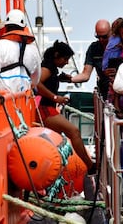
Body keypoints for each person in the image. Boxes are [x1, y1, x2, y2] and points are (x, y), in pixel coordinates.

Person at [36, 40, 95, 173]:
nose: (67, 62)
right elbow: (37, 83)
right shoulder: (48, 67)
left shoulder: (52, 68)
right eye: (65, 59)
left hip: (48, 108)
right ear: (57, 56)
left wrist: (61, 78)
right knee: (74, 132)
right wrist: (55, 97)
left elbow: (47, 80)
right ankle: (90, 166)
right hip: (45, 109)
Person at [0, 9, 41, 93]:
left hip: (3, 99)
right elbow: (36, 79)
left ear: (6, 26)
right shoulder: (33, 49)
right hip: (23, 99)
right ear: (24, 27)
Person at [66, 19, 111, 99]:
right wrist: (70, 79)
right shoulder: (94, 48)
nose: (101, 40)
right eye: (98, 37)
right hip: (104, 90)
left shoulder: (119, 46)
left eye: (104, 37)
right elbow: (85, 75)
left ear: (111, 33)